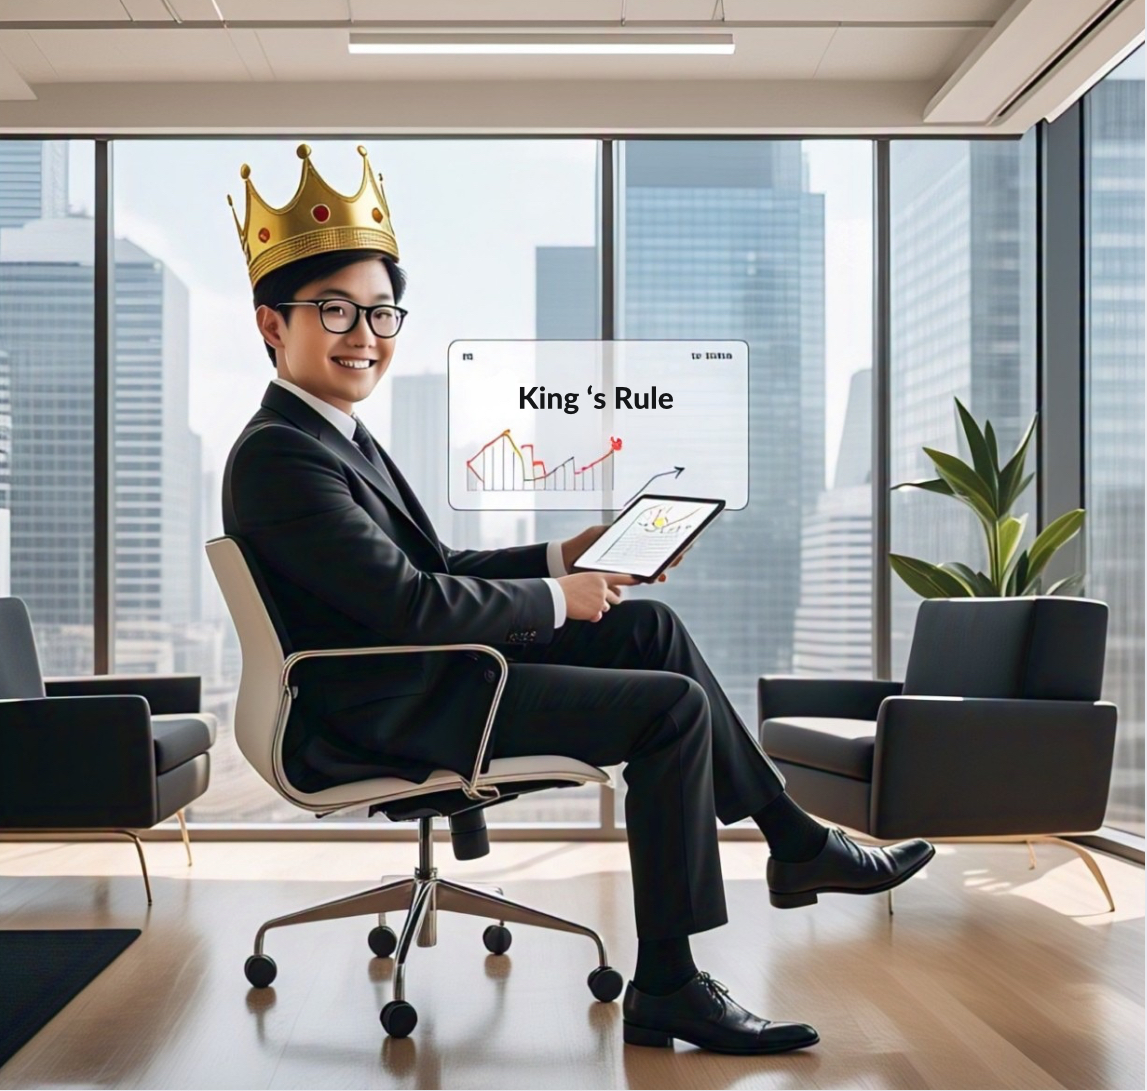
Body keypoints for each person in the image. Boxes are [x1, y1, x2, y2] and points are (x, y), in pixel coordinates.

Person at [222, 144, 934, 1056]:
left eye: (379, 310)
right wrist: (559, 597)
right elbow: (407, 605)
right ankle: (673, 983)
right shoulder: (281, 453)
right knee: (667, 710)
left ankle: (793, 842)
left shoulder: (333, 437)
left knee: (645, 625)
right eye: (334, 310)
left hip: (418, 679)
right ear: (270, 325)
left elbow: (432, 563)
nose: (364, 332)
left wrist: (570, 553)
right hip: (389, 706)